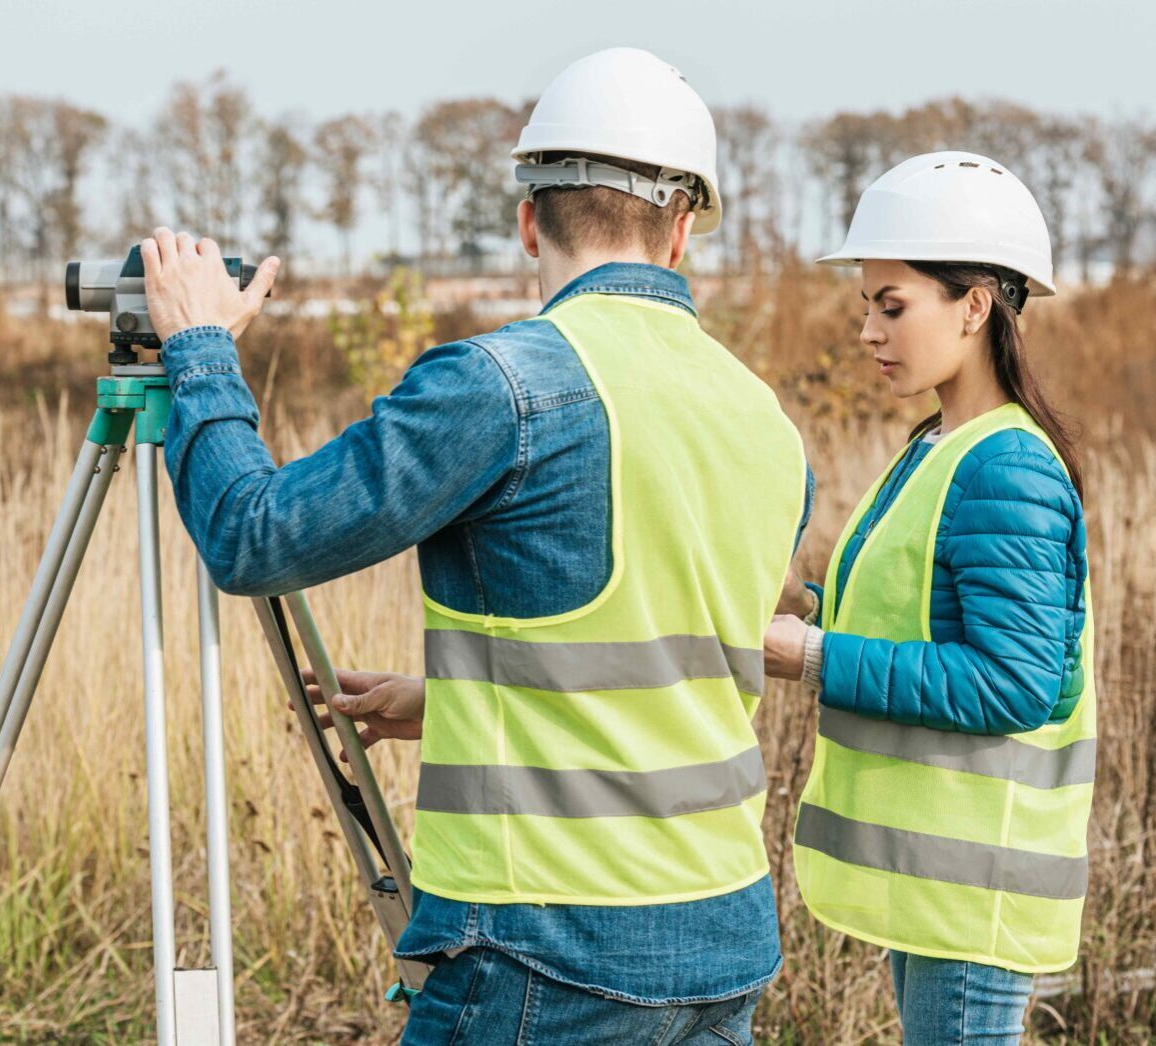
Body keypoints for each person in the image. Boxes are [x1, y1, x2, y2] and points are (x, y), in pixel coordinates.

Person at [140, 48, 816, 1045]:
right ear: (681, 230)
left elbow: (254, 534)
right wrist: (460, 700)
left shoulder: (503, 384)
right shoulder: (764, 420)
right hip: (721, 934)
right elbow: (678, 650)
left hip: (546, 945)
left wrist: (199, 347)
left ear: (528, 218)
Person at [764, 152, 1095, 1045]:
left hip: (972, 895)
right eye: (864, 307)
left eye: (892, 305)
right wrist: (793, 601)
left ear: (975, 304)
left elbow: (1009, 683)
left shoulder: (1006, 465)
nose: (868, 332)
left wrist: (807, 654)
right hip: (933, 887)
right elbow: (900, 612)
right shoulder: (935, 446)